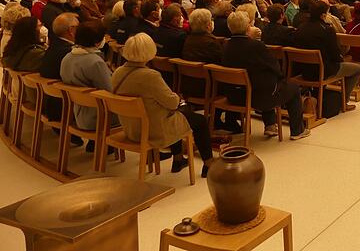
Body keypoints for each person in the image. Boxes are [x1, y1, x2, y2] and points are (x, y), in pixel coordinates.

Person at [113, 33, 214, 177]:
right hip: (153, 130)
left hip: (132, 128)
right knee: (199, 120)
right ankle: (208, 164)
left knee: (176, 112)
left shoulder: (118, 72)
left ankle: (178, 158)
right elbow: (172, 102)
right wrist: (176, 97)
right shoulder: (150, 76)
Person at [222, 11, 310, 140]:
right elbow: (275, 67)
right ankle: (297, 130)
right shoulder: (256, 46)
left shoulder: (226, 46)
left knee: (264, 81)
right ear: (248, 27)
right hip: (258, 97)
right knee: (292, 87)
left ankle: (270, 125)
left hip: (235, 96)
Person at [60, 21, 120, 149]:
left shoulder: (66, 58)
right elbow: (110, 90)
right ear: (97, 42)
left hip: (77, 113)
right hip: (97, 116)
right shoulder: (95, 62)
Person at [292, 2, 360, 104]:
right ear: (323, 15)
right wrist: (341, 60)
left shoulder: (300, 27)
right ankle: (344, 101)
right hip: (323, 70)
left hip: (303, 70)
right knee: (357, 69)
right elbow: (335, 54)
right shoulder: (327, 29)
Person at [39, 13, 79, 121]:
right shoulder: (70, 52)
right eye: (78, 27)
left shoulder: (51, 49)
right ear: (71, 30)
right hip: (66, 108)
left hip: (49, 103)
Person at [2, 16, 46, 106]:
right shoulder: (34, 54)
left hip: (17, 91)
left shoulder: (13, 50)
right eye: (39, 26)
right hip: (33, 97)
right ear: (31, 31)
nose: (42, 28)